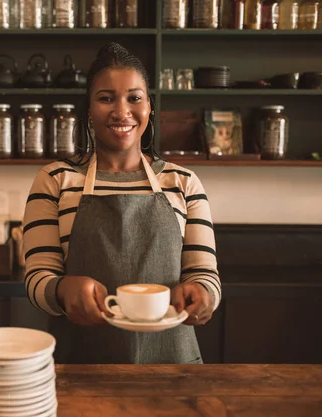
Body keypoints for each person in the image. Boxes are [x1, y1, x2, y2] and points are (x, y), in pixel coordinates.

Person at [22, 42, 221, 364]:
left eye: (134, 97)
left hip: (173, 364)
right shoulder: (56, 179)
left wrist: (204, 294)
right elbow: (36, 278)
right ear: (88, 108)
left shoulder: (182, 182)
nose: (121, 111)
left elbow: (203, 272)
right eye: (105, 98)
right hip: (82, 364)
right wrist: (61, 289)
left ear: (150, 106)